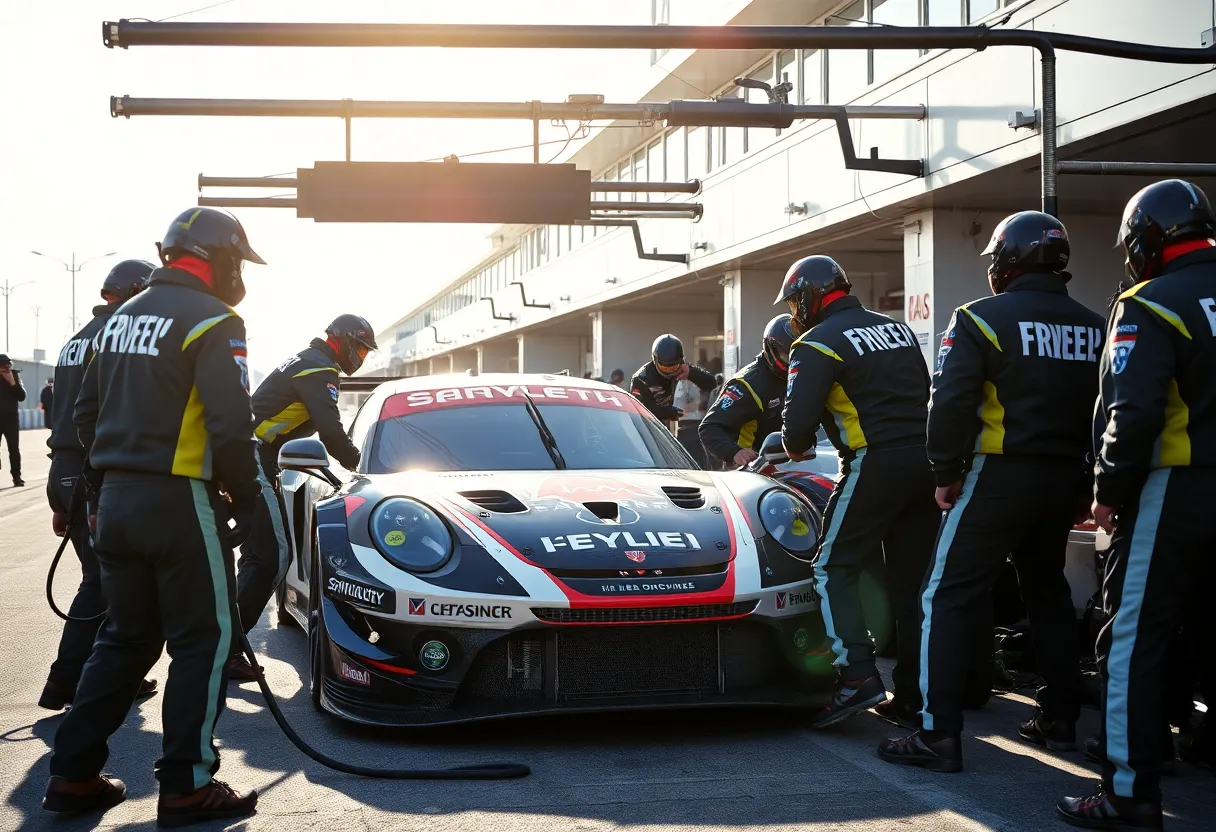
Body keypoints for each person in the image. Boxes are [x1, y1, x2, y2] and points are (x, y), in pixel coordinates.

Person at [43, 207, 264, 826]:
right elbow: (229, 424)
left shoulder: (117, 322)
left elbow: (82, 415)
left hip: (113, 504)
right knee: (206, 641)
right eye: (237, 262)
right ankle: (189, 786)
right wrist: (245, 500)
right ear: (218, 258)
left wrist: (96, 492)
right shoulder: (217, 320)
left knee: (125, 638)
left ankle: (72, 774)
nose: (238, 275)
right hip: (178, 502)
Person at [878, 211, 1103, 774]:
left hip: (996, 475)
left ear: (1006, 262)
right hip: (1065, 483)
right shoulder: (1095, 324)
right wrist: (1088, 483)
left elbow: (949, 403)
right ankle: (1059, 718)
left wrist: (943, 472)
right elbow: (1106, 411)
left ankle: (936, 732)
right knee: (1048, 593)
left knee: (943, 595)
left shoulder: (978, 319)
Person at [1058, 180, 1216, 829]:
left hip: (1174, 487)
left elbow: (1134, 411)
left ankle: (1128, 792)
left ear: (1147, 240)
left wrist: (1108, 493)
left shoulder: (1149, 301)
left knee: (1129, 641)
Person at [778, 255, 939, 731]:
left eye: (794, 301)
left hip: (876, 461)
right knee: (912, 585)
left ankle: (858, 677)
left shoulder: (814, 343)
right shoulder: (897, 329)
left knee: (832, 567)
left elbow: (796, 434)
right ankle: (913, 695)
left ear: (809, 296)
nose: (793, 311)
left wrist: (797, 443)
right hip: (928, 461)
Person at [227, 314, 377, 681]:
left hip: (247, 455)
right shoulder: (319, 368)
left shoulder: (308, 360)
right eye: (359, 347)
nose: (361, 356)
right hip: (251, 456)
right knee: (274, 555)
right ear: (340, 341)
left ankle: (221, 641)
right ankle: (226, 648)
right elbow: (330, 432)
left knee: (255, 555)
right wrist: (366, 466)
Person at [39, 260, 159, 712]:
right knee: (102, 582)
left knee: (116, 581)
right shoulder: (117, 334)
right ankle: (66, 683)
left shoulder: (77, 338)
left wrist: (63, 497)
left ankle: (116, 674)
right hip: (92, 468)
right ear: (133, 293)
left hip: (65, 469)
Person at [699, 314, 795, 469]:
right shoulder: (746, 385)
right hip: (751, 470)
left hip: (789, 464)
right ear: (771, 349)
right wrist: (735, 452)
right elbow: (709, 428)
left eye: (796, 354)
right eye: (787, 355)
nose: (792, 361)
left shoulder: (800, 376)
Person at [629, 334, 716, 427]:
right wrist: (669, 412)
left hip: (676, 427)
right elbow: (638, 411)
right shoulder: (641, 379)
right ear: (655, 360)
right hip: (649, 428)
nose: (669, 371)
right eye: (665, 368)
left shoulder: (683, 369)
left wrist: (692, 373)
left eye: (673, 367)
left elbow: (712, 384)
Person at [0, 354, 26, 486]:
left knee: (14, 450)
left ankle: (17, 477)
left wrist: (12, 382)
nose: (6, 369)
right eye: (3, 366)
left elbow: (22, 396)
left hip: (11, 419)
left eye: (8, 366)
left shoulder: (14, 376)